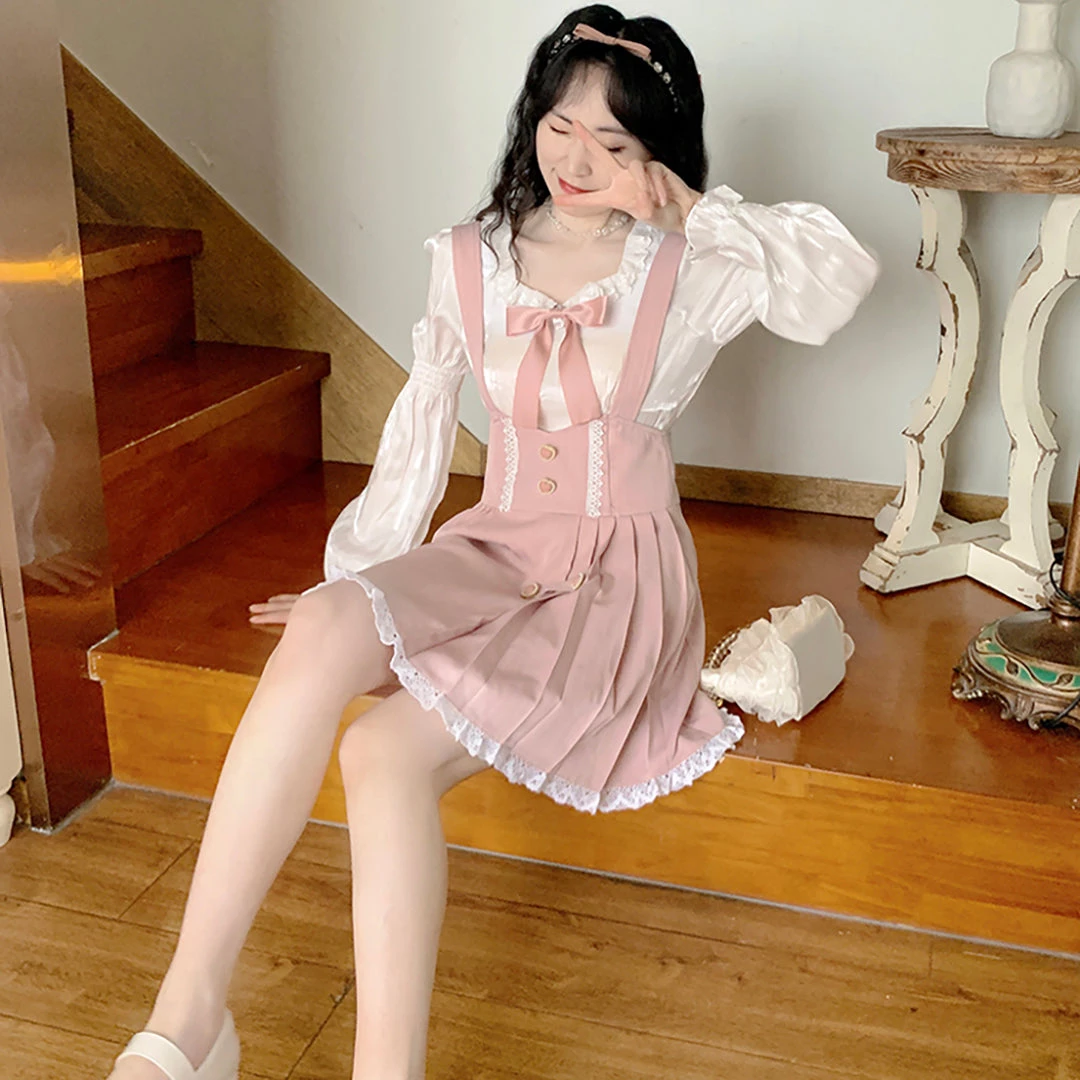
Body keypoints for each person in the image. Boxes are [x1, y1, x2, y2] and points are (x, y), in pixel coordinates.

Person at [107, 6, 878, 1079]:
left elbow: (840, 283)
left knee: (380, 752)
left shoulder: (690, 263)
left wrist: (688, 206)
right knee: (325, 627)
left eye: (613, 141)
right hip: (496, 546)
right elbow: (420, 428)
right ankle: (186, 1022)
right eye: (561, 125)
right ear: (533, 117)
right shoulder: (469, 257)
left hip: (617, 578)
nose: (578, 158)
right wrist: (361, 588)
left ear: (654, 152)